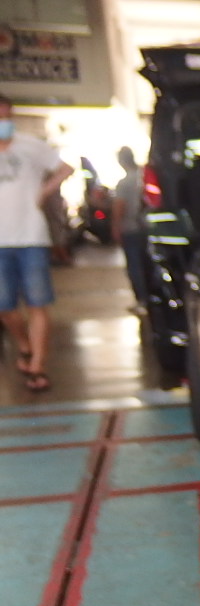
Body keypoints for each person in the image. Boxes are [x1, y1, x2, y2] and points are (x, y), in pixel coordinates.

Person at [0, 92, 74, 393]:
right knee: (5, 307)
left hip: (31, 237)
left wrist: (45, 191)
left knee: (38, 303)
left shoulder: (31, 146)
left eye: (6, 117)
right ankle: (24, 344)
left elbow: (65, 168)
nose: (3, 122)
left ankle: (38, 367)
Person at [112, 146, 147, 313]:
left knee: (134, 266)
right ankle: (150, 298)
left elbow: (120, 206)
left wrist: (115, 226)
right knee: (146, 264)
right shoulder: (144, 177)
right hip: (147, 229)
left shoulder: (124, 183)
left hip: (130, 229)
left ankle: (141, 299)